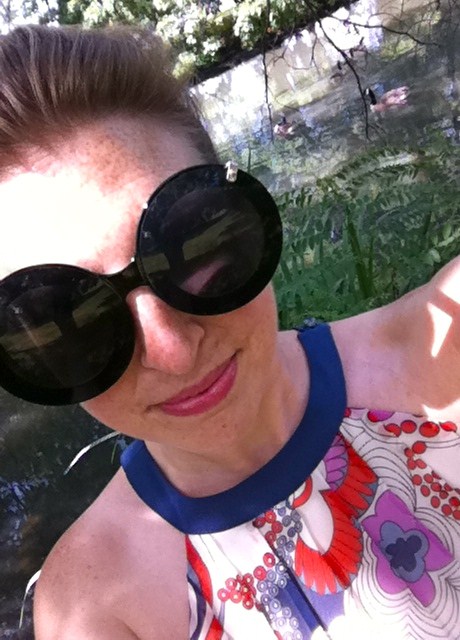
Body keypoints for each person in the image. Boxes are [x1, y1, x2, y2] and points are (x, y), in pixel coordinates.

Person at [0, 24, 459, 640]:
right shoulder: (97, 609)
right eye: (65, 321)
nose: (172, 352)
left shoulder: (445, 353)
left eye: (191, 246)